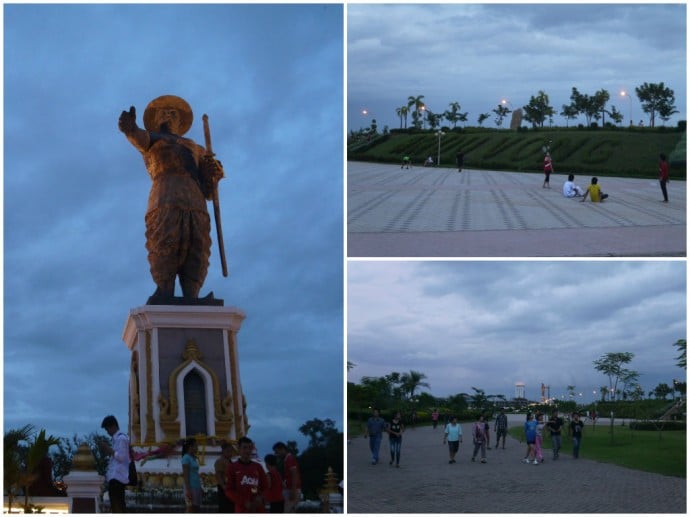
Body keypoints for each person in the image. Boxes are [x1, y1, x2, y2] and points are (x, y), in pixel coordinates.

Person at [118, 95, 225, 302]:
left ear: (180, 121)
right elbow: (138, 138)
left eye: (173, 112)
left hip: (195, 199)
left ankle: (192, 295)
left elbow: (209, 190)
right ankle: (164, 290)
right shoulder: (152, 138)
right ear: (156, 119)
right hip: (165, 194)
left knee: (198, 243)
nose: (168, 114)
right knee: (166, 240)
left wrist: (214, 174)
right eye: (163, 112)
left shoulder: (196, 148)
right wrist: (129, 129)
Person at [226, 436, 268, 513]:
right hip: (242, 509)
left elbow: (265, 486)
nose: (248, 450)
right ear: (238, 449)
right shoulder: (232, 467)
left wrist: (261, 497)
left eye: (250, 448)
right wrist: (243, 502)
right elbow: (229, 490)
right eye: (244, 448)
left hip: (258, 509)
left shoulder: (258, 467)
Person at [99, 415, 130, 513]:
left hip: (118, 478)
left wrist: (109, 450)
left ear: (113, 426)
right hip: (115, 477)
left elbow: (122, 457)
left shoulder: (121, 439)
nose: (107, 432)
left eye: (107, 429)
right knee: (116, 506)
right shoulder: (116, 439)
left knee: (118, 507)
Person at [272, 441, 301, 512]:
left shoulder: (289, 459)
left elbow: (294, 474)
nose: (277, 454)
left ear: (282, 449)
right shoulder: (286, 460)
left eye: (277, 452)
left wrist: (293, 490)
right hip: (290, 489)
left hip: (292, 489)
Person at [181, 438, 202, 512]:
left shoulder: (193, 458)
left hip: (196, 485)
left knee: (196, 508)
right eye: (196, 446)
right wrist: (188, 490)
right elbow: (185, 475)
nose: (197, 448)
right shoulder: (186, 458)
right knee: (190, 508)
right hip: (190, 486)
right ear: (190, 447)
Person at [214, 441, 235, 512]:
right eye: (228, 451)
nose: (230, 453)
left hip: (230, 486)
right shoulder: (220, 461)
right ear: (223, 451)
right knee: (225, 507)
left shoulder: (229, 461)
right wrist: (223, 486)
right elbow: (218, 475)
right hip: (224, 487)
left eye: (231, 451)